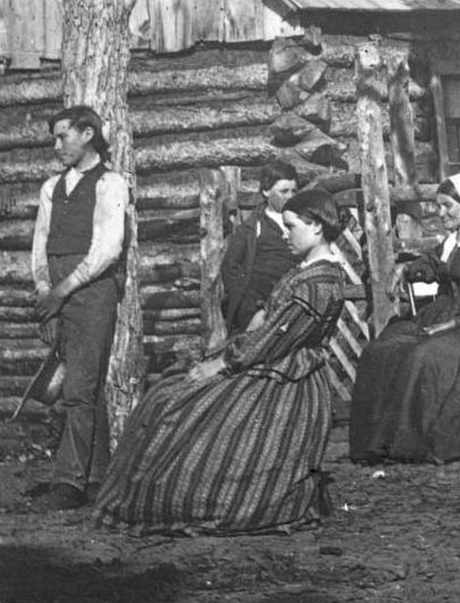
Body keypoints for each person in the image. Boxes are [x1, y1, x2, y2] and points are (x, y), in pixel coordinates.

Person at [92, 188, 356, 535]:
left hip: (285, 380)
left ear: (317, 227)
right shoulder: (305, 271)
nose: (285, 234)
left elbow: (275, 338)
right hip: (268, 359)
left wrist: (222, 364)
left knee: (184, 406)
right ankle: (143, 492)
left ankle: (174, 497)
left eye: (291, 227)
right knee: (168, 393)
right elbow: (266, 321)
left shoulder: (319, 283)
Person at [348, 171, 460, 464]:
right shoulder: (453, 240)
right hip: (447, 312)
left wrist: (452, 324)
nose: (441, 212)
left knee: (422, 356)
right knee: (380, 350)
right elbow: (434, 264)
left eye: (447, 205)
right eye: (438, 205)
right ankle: (378, 441)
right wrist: (405, 270)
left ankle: (413, 443)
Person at [27, 105, 128, 512]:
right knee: (83, 386)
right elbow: (40, 243)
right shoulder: (52, 187)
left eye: (63, 136)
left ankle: (68, 483)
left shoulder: (111, 184)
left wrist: (65, 290)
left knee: (79, 388)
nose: (57, 146)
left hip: (91, 294)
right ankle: (98, 477)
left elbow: (107, 249)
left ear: (88, 134)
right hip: (58, 292)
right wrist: (44, 292)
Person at [219, 160, 300, 335]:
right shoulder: (253, 227)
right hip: (256, 306)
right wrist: (242, 300)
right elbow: (230, 266)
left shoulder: (303, 223)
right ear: (266, 191)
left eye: (294, 191)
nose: (290, 196)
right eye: (283, 191)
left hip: (291, 302)